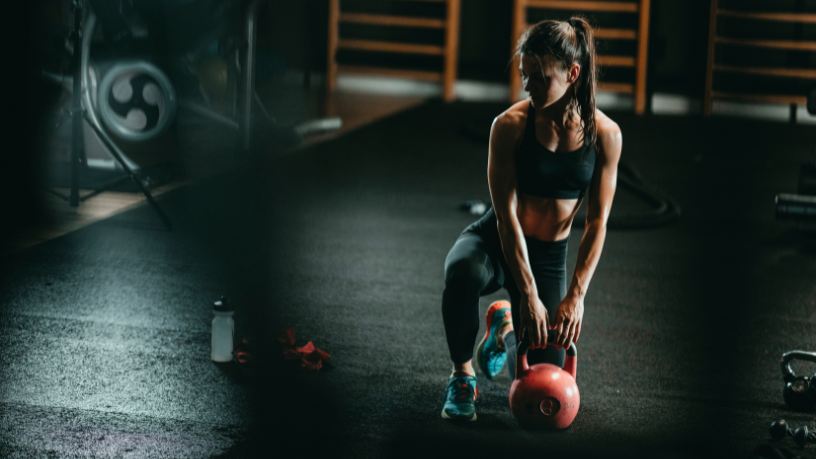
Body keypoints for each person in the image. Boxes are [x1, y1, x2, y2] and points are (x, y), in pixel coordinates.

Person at [440, 17, 622, 421]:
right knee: (462, 272)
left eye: (539, 78)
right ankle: (462, 374)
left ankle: (503, 327)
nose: (528, 86)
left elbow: (597, 223)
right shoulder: (508, 127)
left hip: (548, 257)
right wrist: (530, 295)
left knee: (541, 373)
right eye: (525, 75)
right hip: (496, 240)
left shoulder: (605, 136)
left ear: (572, 74)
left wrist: (576, 296)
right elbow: (505, 218)